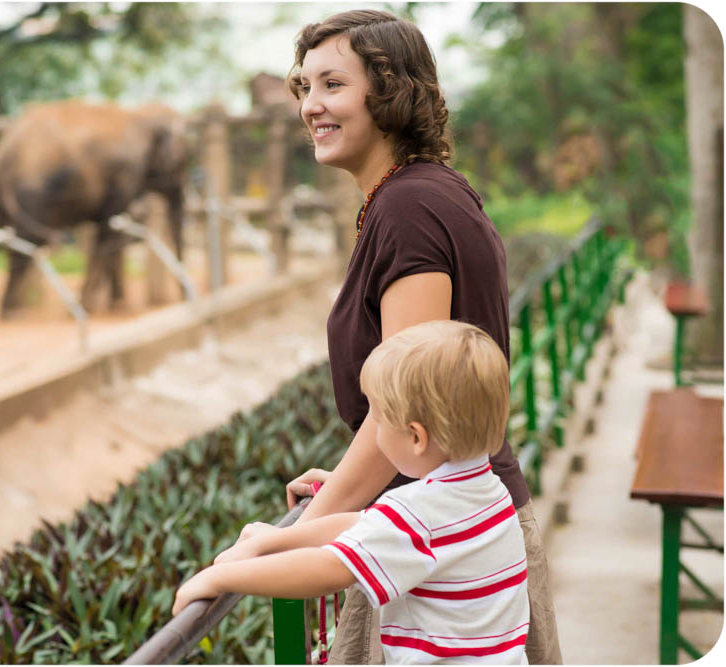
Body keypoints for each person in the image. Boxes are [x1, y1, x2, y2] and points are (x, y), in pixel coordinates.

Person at [217, 9, 562, 664]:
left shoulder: (407, 209)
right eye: (304, 88)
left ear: (390, 92)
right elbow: (412, 424)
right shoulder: (426, 195)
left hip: (434, 557)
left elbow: (409, 404)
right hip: (444, 526)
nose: (311, 106)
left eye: (332, 85)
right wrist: (362, 476)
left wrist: (299, 532)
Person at [175, 321, 530, 664]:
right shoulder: (486, 492)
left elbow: (329, 567)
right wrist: (274, 540)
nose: (372, 429)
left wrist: (218, 577)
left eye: (378, 415)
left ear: (416, 437)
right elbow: (364, 524)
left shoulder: (419, 513)